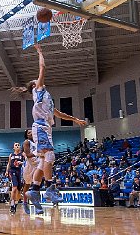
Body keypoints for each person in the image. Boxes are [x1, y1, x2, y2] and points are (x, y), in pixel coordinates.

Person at [11, 44, 86, 214]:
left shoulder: (46, 99)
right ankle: (50, 188)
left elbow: (59, 114)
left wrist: (75, 119)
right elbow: (43, 67)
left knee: (44, 162)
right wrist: (40, 52)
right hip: (41, 128)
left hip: (45, 129)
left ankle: (35, 191)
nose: (39, 80)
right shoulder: (38, 90)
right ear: (35, 85)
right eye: (37, 81)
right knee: (50, 156)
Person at [22, 129, 38, 214]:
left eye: (32, 131)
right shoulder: (26, 142)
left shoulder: (37, 142)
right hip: (29, 165)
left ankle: (36, 203)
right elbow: (28, 155)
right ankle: (25, 203)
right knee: (27, 184)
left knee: (37, 183)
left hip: (37, 164)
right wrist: (38, 152)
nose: (31, 133)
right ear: (27, 135)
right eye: (29, 132)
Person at [5, 142, 24, 214]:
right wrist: (7, 171)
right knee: (14, 187)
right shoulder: (11, 155)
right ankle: (12, 203)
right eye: (16, 145)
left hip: (20, 172)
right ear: (13, 147)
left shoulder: (22, 154)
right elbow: (9, 164)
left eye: (18, 145)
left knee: (19, 190)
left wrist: (21, 163)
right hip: (12, 171)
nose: (17, 146)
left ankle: (15, 204)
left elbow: (26, 162)